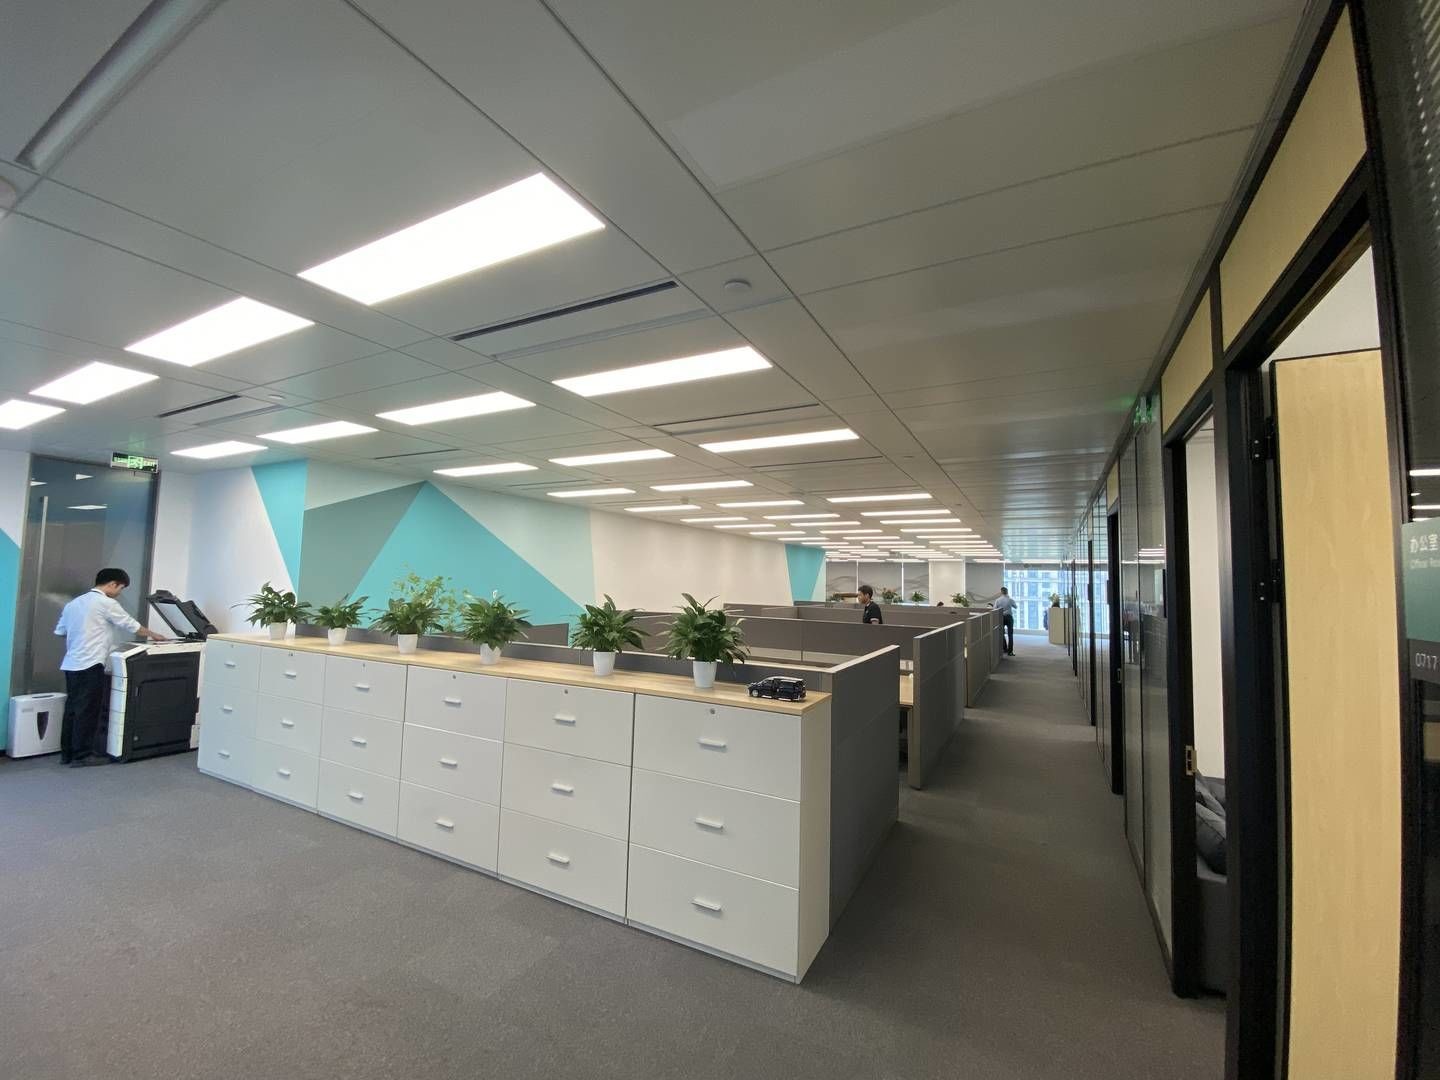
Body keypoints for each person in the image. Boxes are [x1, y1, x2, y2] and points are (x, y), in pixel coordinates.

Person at [54, 568, 165, 766]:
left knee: (72, 708)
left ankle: (67, 754)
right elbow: (131, 625)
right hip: (91, 663)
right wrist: (155, 635)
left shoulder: (74, 603)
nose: (119, 593)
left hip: (71, 663)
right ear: (113, 584)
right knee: (88, 710)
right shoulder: (106, 603)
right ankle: (82, 755)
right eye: (120, 588)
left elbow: (61, 631)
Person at [992, 586, 1016, 656]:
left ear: (1001, 592)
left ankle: (1004, 648)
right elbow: (1015, 607)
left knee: (1001, 633)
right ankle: (1010, 651)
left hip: (1001, 617)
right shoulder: (1010, 600)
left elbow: (994, 609)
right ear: (1007, 592)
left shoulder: (998, 600)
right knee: (1010, 634)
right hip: (1009, 617)